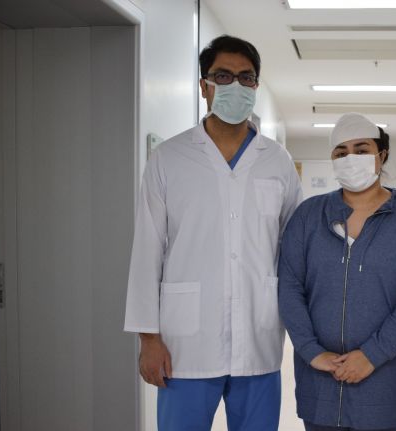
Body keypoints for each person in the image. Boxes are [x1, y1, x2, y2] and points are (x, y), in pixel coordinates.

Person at [124, 35, 302, 431]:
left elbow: (295, 250)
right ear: (203, 86)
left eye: (246, 77)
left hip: (258, 338)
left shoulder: (277, 161)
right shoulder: (169, 158)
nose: (235, 86)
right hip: (184, 346)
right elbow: (147, 249)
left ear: (256, 87)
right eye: (223, 76)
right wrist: (148, 339)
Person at [278, 113, 396, 431]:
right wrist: (312, 352)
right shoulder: (309, 215)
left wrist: (372, 354)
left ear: (382, 155)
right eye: (341, 152)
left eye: (362, 149)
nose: (351, 158)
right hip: (320, 380)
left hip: (383, 379)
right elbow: (290, 286)